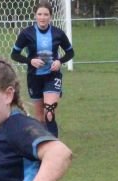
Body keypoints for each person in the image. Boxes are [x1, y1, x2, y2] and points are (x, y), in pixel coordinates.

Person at [11, 0, 74, 137]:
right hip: (34, 77)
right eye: (39, 14)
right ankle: (42, 144)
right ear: (35, 15)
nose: (42, 17)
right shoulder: (26, 33)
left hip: (52, 76)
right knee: (40, 118)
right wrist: (30, 61)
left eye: (46, 14)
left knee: (49, 112)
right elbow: (14, 54)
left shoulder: (58, 33)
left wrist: (60, 61)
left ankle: (55, 145)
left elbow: (70, 53)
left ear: (50, 16)